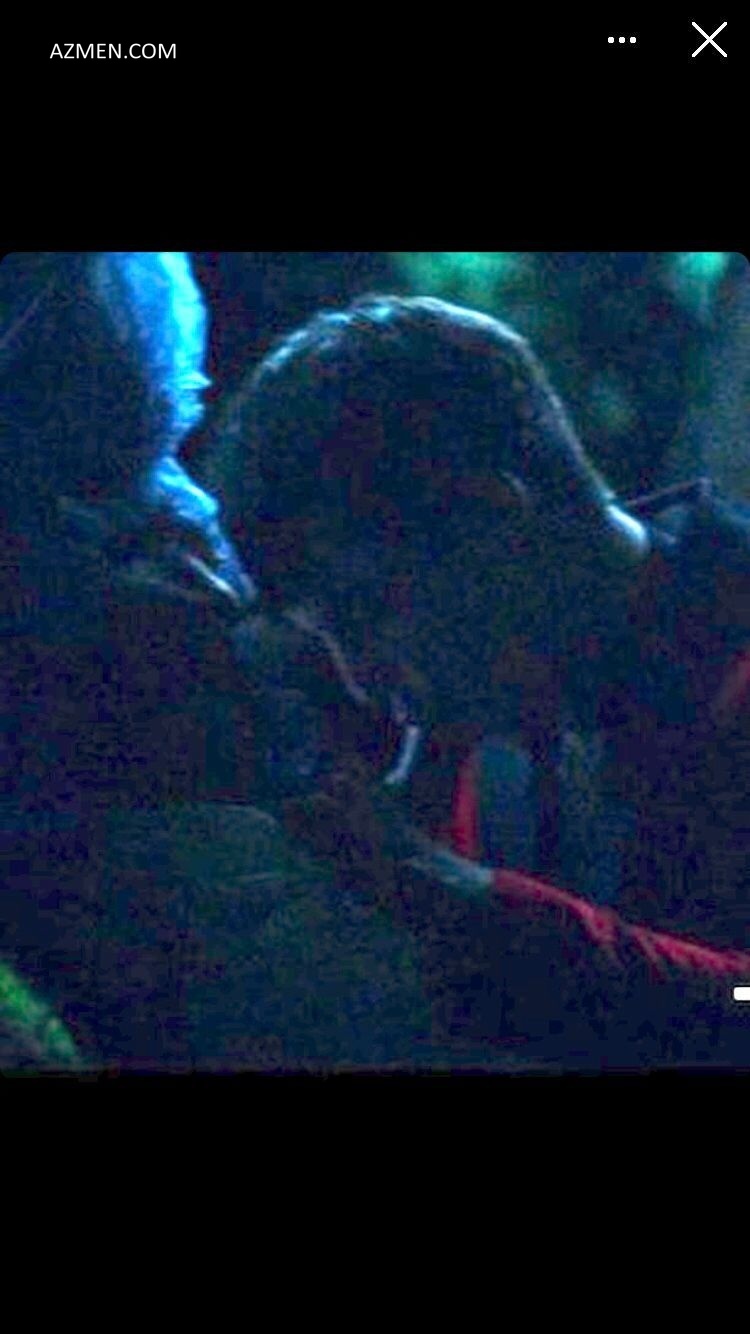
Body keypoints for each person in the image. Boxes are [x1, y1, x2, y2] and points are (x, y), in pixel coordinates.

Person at [203, 292, 750, 1067]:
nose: (359, 678)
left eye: (367, 612)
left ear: (496, 520)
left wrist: (482, 915)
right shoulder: (492, 721)